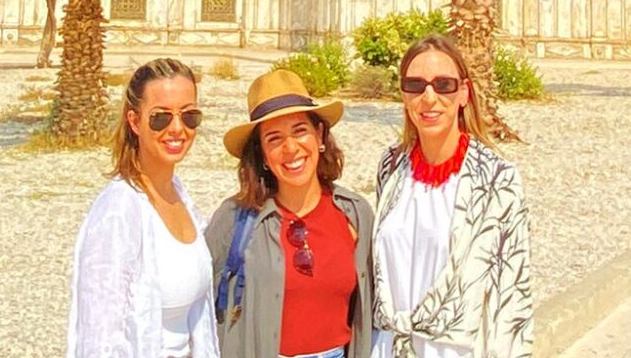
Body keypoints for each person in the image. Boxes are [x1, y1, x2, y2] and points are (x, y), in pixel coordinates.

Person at [373, 34, 534, 358]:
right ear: (404, 95)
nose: (429, 97)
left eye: (443, 85)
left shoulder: (496, 179)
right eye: (415, 85)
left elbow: (512, 297)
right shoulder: (391, 168)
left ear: (464, 93)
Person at [205, 70, 374, 358]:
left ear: (319, 135)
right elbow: (198, 301)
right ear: (262, 155)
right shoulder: (235, 219)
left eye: (300, 131)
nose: (291, 148)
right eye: (274, 138)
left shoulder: (355, 214)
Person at [67, 59, 217, 358]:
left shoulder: (179, 197)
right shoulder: (119, 211)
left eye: (190, 116)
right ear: (135, 121)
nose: (178, 129)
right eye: (160, 117)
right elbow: (100, 336)